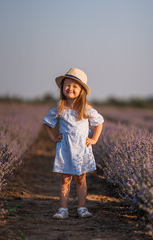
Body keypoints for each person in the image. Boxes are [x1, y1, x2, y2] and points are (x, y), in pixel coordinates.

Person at [42, 68, 104, 219]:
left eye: (75, 86)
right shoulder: (60, 107)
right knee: (65, 179)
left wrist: (94, 139)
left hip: (82, 148)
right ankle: (63, 209)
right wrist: (53, 138)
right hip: (66, 148)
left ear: (81, 90)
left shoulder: (86, 108)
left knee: (81, 179)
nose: (70, 88)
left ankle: (82, 208)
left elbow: (99, 122)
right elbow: (46, 122)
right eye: (67, 85)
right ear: (62, 88)